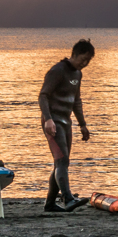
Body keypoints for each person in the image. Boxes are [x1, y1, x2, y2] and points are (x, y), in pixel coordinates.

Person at [39, 39, 94, 212]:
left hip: (66, 121)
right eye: (83, 59)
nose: (84, 64)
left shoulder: (77, 75)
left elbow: (76, 100)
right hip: (53, 121)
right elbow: (43, 96)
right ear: (74, 54)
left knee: (62, 163)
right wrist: (48, 119)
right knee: (61, 160)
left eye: (88, 61)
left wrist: (82, 124)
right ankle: (68, 199)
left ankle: (50, 204)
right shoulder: (58, 71)